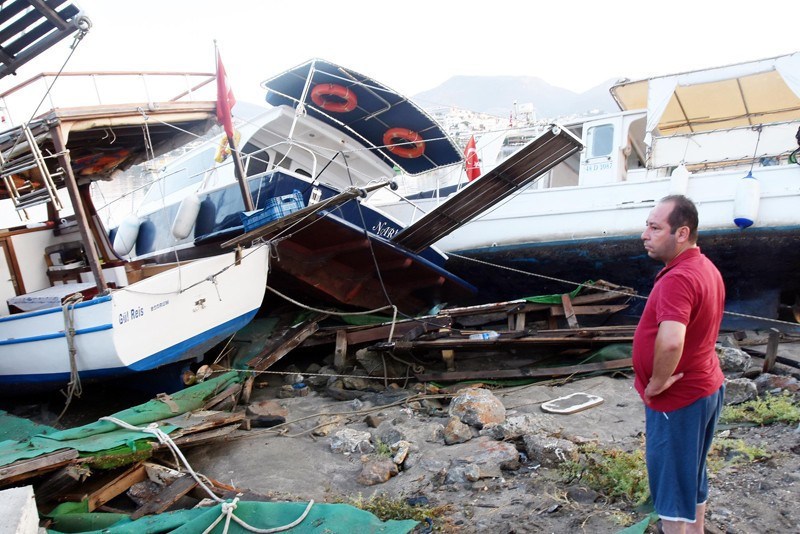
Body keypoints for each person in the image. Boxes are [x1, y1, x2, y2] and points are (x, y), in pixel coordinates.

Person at [632, 195, 726, 534]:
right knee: (692, 475)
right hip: (706, 386)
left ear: (682, 233)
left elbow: (672, 340)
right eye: (647, 226)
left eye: (655, 228)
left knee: (671, 488)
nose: (645, 235)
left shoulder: (678, 278)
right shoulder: (706, 268)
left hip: (679, 398)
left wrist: (657, 382)